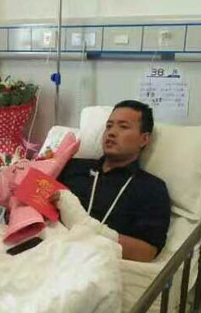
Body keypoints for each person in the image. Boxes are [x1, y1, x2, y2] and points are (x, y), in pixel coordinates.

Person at [58, 100, 170, 262]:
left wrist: (92, 233)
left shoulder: (152, 188)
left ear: (144, 139)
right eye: (109, 126)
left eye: (123, 127)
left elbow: (147, 252)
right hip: (48, 247)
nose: (111, 133)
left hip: (98, 262)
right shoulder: (72, 167)